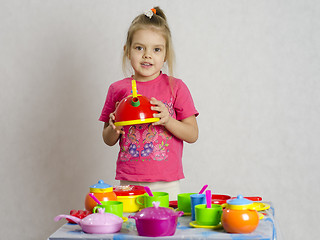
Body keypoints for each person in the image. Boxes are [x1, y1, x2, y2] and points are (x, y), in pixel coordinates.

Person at [99, 7, 199, 200]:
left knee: (162, 229)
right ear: (127, 51)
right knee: (129, 229)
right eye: (139, 48)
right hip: (129, 182)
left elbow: (193, 134)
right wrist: (114, 128)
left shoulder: (176, 87)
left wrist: (167, 120)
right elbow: (107, 139)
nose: (147, 55)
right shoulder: (117, 89)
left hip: (167, 183)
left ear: (165, 55)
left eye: (156, 49)